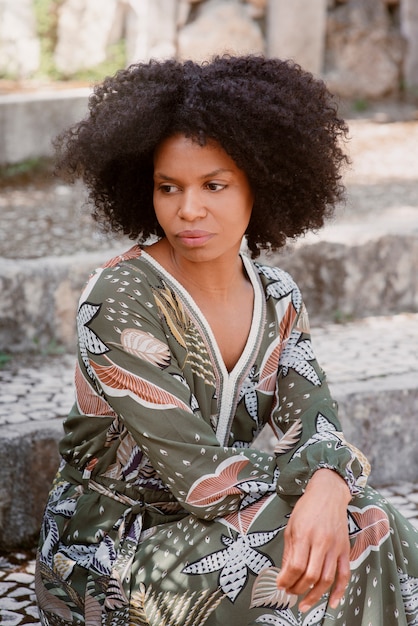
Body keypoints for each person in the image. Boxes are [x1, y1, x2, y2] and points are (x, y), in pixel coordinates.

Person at [35, 55, 418, 626]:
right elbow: (198, 474)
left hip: (227, 516)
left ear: (260, 185)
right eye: (169, 187)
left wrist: (332, 482)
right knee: (318, 557)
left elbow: (313, 420)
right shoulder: (118, 296)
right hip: (115, 548)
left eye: (215, 185)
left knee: (375, 525)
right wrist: (320, 486)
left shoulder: (278, 295)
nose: (188, 210)